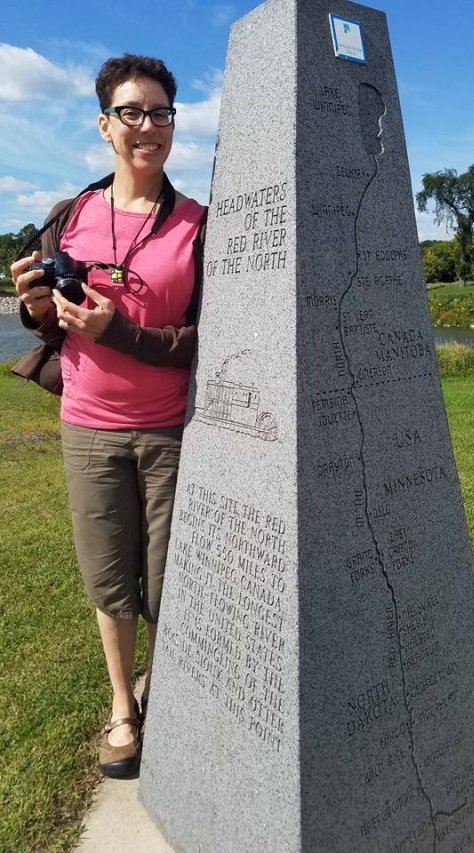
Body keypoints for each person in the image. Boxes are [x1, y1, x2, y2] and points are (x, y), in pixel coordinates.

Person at [11, 54, 207, 778]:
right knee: (109, 577)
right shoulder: (70, 216)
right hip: (88, 424)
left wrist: (115, 330)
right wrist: (39, 311)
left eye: (161, 113)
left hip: (168, 429)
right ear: (104, 124)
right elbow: (51, 328)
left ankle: (179, 695)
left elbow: (206, 340)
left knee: (168, 582)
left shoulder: (197, 224)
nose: (147, 126)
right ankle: (124, 705)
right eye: (131, 112)